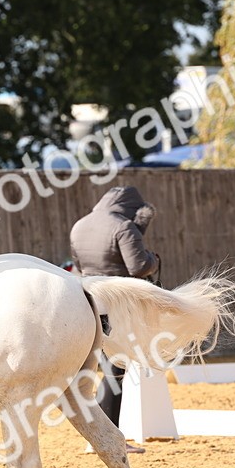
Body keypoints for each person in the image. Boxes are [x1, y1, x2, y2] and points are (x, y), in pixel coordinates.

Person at [69, 186, 160, 450]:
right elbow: (138, 267)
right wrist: (153, 258)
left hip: (87, 301)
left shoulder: (80, 224)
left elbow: (79, 265)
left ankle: (97, 435)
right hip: (117, 303)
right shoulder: (123, 227)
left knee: (95, 368)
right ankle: (105, 437)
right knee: (114, 370)